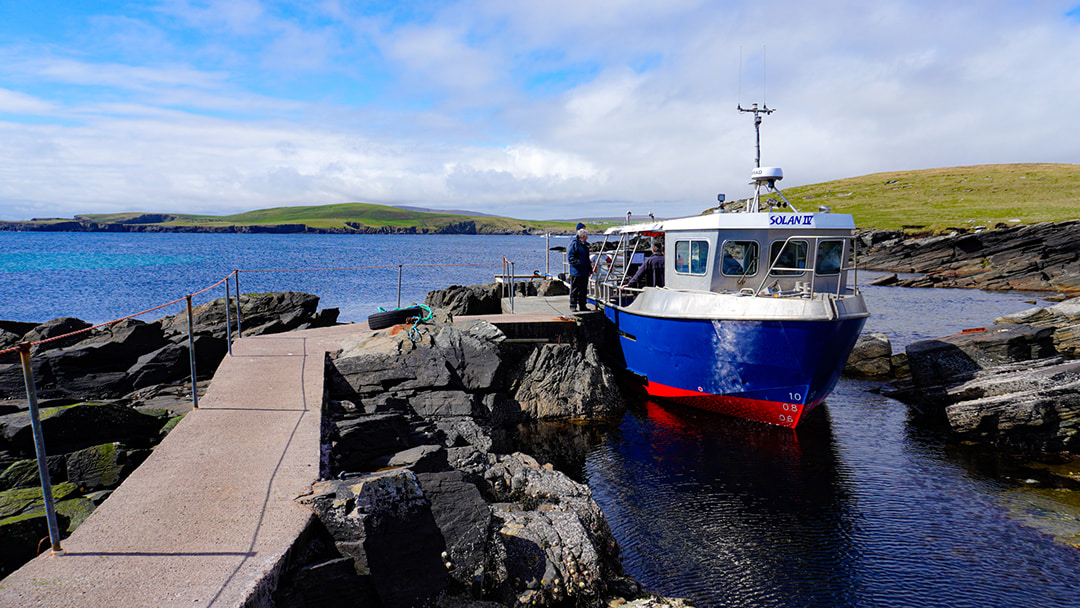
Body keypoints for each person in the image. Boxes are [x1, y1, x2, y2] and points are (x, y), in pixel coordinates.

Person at [567, 227, 592, 311]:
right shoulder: (574, 244)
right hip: (576, 272)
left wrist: (589, 268)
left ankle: (582, 305)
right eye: (586, 236)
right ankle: (573, 305)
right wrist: (579, 263)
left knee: (583, 289)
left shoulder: (585, 246)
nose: (587, 237)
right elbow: (571, 257)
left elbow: (587, 259)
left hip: (584, 272)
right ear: (583, 236)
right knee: (575, 289)